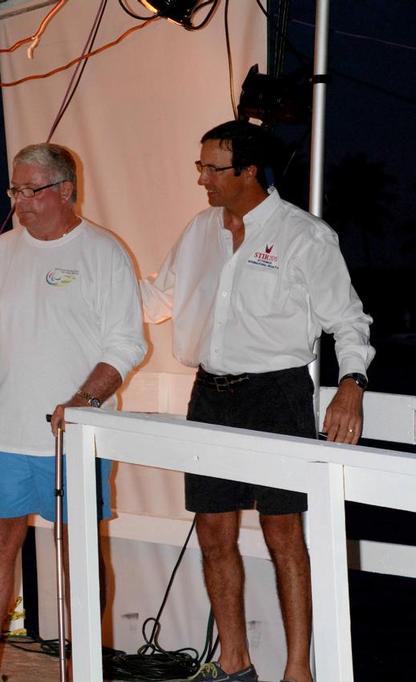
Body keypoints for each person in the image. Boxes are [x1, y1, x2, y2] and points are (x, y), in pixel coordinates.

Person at [140, 120, 374, 682]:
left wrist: (351, 384)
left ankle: (298, 670)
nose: (201, 179)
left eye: (211, 168)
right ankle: (235, 663)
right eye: (200, 167)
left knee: (284, 535)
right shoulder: (198, 231)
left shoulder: (304, 235)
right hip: (210, 395)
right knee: (213, 532)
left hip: (277, 394)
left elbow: (348, 320)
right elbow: (152, 300)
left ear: (248, 171)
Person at [0, 143, 147, 682]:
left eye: (31, 191)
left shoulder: (104, 253)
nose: (20, 203)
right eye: (14, 190)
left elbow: (127, 345)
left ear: (64, 191)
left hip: (77, 435)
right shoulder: (0, 251)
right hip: (3, 430)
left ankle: (85, 662)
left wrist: (82, 403)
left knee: (78, 547)